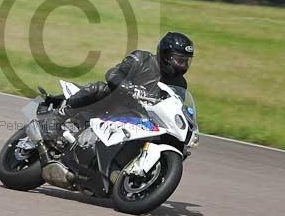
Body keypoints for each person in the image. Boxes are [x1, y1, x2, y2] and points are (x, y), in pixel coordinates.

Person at [40, 32, 194, 138]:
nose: (183, 66)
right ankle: (59, 115)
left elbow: (175, 106)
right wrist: (129, 88)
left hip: (140, 121)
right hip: (112, 105)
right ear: (166, 55)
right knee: (100, 88)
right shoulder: (141, 59)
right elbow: (113, 74)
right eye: (179, 60)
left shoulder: (180, 83)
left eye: (186, 61)